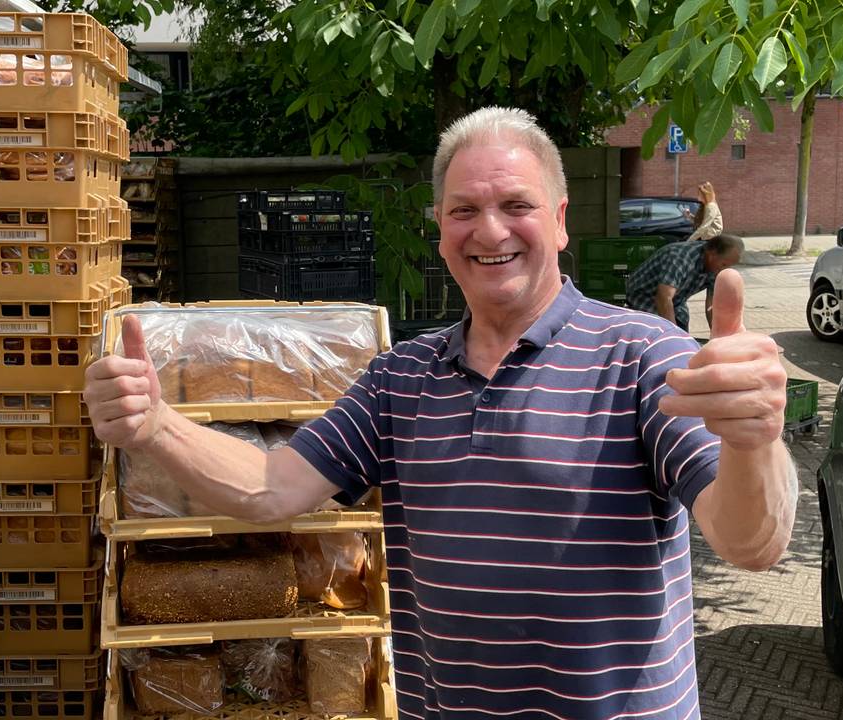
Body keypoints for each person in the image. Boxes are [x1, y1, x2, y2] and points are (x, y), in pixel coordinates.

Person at [85, 107, 794, 720]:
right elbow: (270, 488)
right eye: (464, 211)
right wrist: (157, 426)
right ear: (441, 228)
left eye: (516, 204)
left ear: (559, 220)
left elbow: (751, 544)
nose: (490, 230)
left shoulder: (643, 355)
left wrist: (754, 442)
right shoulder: (401, 377)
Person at [625, 233, 744, 332]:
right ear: (711, 253)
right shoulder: (680, 257)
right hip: (644, 297)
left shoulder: (717, 268)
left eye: (730, 266)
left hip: (676, 301)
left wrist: (717, 334)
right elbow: (664, 298)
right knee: (665, 336)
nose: (725, 270)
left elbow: (712, 305)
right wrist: (674, 335)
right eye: (724, 264)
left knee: (682, 329)